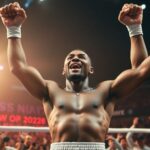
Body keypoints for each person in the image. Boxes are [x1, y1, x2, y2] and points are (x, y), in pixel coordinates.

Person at [0, 2, 150, 150]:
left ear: (91, 69)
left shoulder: (106, 90)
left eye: (81, 57)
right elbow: (18, 67)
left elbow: (140, 71)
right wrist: (13, 29)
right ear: (64, 70)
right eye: (70, 57)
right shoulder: (50, 90)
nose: (75, 58)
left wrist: (134, 28)